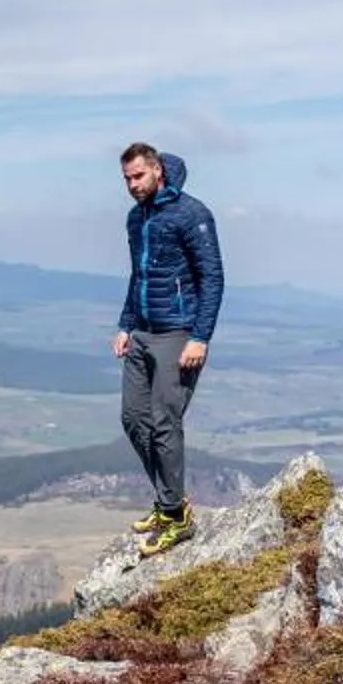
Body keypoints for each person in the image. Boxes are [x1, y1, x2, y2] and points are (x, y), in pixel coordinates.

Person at [112, 141, 224, 555]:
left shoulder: (192, 214)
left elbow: (212, 277)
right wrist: (126, 324)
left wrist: (200, 337)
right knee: (133, 418)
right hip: (142, 331)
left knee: (164, 421)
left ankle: (176, 516)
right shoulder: (135, 218)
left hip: (178, 332)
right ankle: (167, 502)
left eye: (138, 176)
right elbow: (137, 276)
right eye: (126, 178)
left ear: (157, 170)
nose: (131, 185)